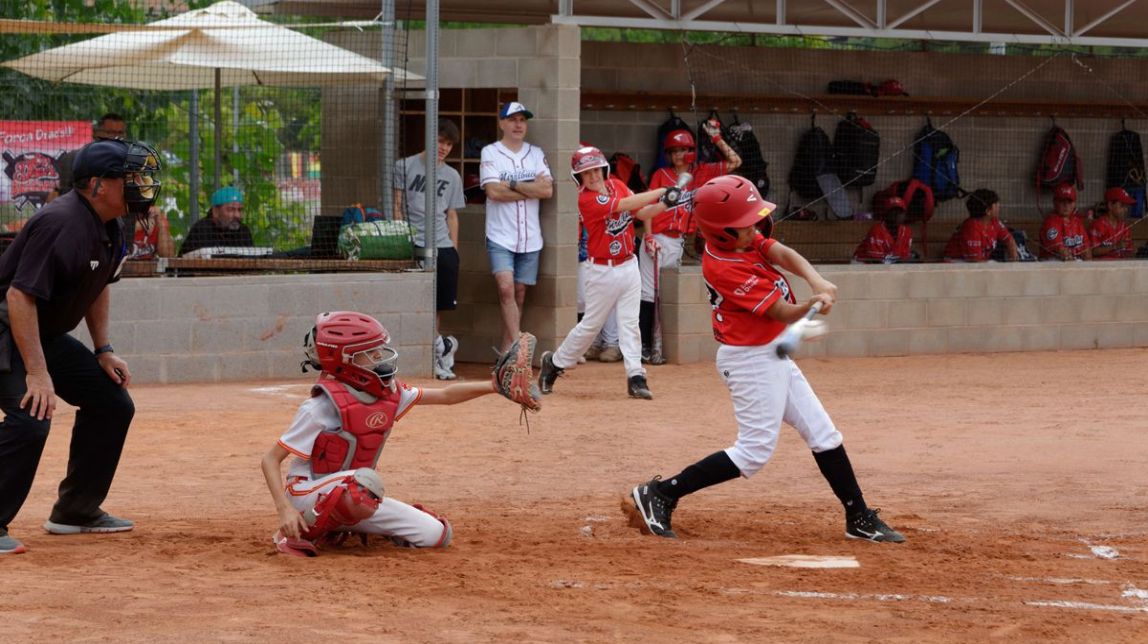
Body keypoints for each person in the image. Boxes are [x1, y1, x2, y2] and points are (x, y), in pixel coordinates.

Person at [626, 175, 905, 544]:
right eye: (745, 225)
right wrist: (811, 305)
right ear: (721, 232)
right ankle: (661, 493)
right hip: (750, 360)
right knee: (754, 451)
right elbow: (781, 312)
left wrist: (816, 280)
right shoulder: (723, 265)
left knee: (823, 434)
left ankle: (858, 517)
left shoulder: (741, 239)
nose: (754, 229)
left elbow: (780, 252)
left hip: (770, 352)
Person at [0, 139, 162, 555]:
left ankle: (75, 510)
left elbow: (99, 284)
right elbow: (19, 296)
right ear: (96, 185)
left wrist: (103, 348)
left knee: (112, 403)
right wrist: (38, 373)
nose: (140, 184)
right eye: (128, 177)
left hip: (40, 334)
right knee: (31, 417)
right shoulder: (62, 222)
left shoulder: (112, 223)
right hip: (6, 330)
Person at [260, 311, 520, 556]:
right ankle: (296, 532)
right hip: (305, 493)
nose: (379, 356)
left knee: (436, 534)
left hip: (354, 491)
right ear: (345, 359)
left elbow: (445, 395)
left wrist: (494, 386)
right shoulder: (318, 407)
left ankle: (344, 521)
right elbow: (270, 460)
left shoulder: (389, 393)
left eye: (378, 349)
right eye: (369, 352)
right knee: (362, 484)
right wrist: (284, 510)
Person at [537, 146, 678, 401]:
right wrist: (661, 191)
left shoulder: (617, 185)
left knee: (630, 324)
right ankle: (554, 363)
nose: (593, 176)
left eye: (596, 170)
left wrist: (665, 204)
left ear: (604, 169)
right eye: (586, 173)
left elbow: (641, 212)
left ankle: (636, 377)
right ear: (579, 177)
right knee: (590, 326)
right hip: (602, 270)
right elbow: (625, 205)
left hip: (629, 265)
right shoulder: (586, 199)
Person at [641, 121, 741, 363]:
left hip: (677, 242)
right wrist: (649, 236)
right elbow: (647, 207)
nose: (679, 155)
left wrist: (716, 138)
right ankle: (644, 345)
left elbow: (735, 161)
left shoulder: (702, 173)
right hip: (656, 239)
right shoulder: (660, 175)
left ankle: (659, 347)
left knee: (666, 294)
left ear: (691, 152)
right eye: (674, 151)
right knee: (648, 293)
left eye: (683, 150)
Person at [393, 118, 467, 380]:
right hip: (413, 243)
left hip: (442, 246)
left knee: (436, 306)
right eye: (440, 141)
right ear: (429, 138)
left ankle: (434, 357)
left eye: (449, 144)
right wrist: (402, 240)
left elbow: (452, 215)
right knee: (414, 302)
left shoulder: (452, 176)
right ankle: (442, 347)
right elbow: (397, 205)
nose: (444, 148)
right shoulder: (404, 166)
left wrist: (454, 250)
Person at [480, 101, 553, 351]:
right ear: (502, 123)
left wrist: (511, 184)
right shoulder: (490, 152)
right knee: (505, 289)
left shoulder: (535, 153)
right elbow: (493, 192)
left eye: (522, 120)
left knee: (519, 293)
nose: (518, 125)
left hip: (531, 237)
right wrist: (530, 188)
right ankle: (518, 350)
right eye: (512, 119)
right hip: (500, 235)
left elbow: (547, 190)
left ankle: (506, 354)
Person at [49, 113, 128, 202]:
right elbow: (64, 193)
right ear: (96, 133)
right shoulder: (72, 158)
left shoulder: (130, 161)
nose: (116, 137)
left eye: (120, 133)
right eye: (109, 132)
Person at [943, 188, 1017, 262]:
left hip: (975, 263)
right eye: (996, 204)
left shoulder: (994, 221)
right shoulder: (971, 227)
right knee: (993, 264)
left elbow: (1009, 240)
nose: (999, 206)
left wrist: (1014, 262)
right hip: (955, 263)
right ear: (988, 211)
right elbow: (975, 260)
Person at [178, 186, 255, 256]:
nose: (237, 215)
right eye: (231, 209)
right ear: (215, 211)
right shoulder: (201, 230)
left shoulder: (243, 232)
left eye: (240, 210)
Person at [852, 194, 914, 264]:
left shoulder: (906, 232)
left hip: (888, 263)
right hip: (862, 263)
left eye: (900, 212)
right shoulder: (877, 230)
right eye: (893, 211)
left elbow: (904, 257)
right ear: (886, 214)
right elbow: (875, 260)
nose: (896, 215)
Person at [1038, 183, 1091, 261]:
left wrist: (1087, 256)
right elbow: (1062, 252)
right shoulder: (1050, 222)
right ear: (1055, 202)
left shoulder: (1077, 221)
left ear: (1074, 204)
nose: (1066, 205)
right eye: (1062, 201)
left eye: (1069, 202)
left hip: (1073, 262)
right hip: (1052, 263)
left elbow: (1087, 248)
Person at [1089, 187, 1135, 260]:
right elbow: (1093, 251)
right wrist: (1115, 246)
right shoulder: (1098, 225)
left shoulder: (1124, 226)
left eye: (1126, 206)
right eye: (1122, 205)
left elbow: (1130, 251)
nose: (1126, 209)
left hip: (1122, 264)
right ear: (1110, 205)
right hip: (1102, 265)